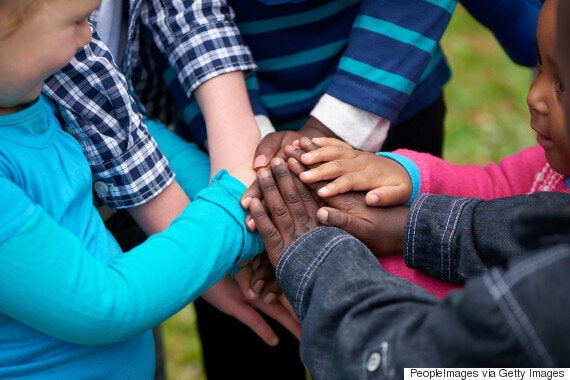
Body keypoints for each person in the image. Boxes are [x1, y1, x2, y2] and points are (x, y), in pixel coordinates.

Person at [241, 0, 570, 374]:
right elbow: (497, 189)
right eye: (539, 64)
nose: (534, 95)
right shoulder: (549, 169)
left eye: (560, 83)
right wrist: (407, 177)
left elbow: (416, 362)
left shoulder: (544, 302)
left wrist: (317, 260)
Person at [0, 0, 300, 377]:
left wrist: (251, 188)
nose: (90, 35)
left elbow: (128, 132)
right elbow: (105, 305)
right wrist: (230, 211)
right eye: (77, 21)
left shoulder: (31, 96)